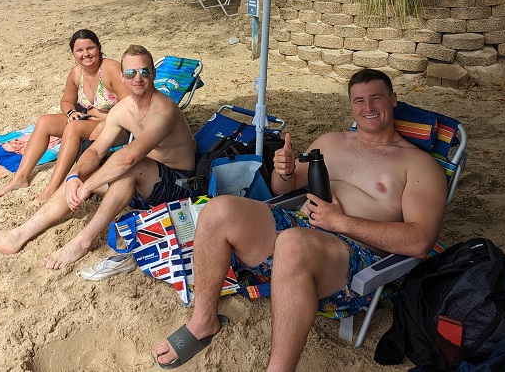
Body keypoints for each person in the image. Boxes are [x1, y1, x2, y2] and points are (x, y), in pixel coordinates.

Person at [156, 68, 447, 370]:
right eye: (359, 101)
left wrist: (340, 222)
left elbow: (419, 241)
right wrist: (284, 171)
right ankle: (204, 321)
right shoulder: (332, 142)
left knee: (293, 243)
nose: (368, 108)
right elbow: (286, 188)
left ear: (394, 100)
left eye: (376, 98)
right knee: (218, 210)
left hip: (355, 255)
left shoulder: (419, 164)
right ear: (351, 105)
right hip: (300, 226)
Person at [0, 44, 196, 271]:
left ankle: (82, 242)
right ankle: (17, 235)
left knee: (131, 165)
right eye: (131, 73)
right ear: (123, 76)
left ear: (153, 74)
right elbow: (95, 151)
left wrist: (87, 186)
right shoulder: (122, 110)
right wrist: (76, 177)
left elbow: (129, 157)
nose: (138, 78)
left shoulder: (164, 111)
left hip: (177, 185)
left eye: (145, 71)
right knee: (80, 172)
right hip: (142, 185)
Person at [0, 29, 130, 203]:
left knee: (73, 128)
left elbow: (129, 105)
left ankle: (52, 188)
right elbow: (66, 101)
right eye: (79, 50)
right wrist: (71, 112)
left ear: (98, 47)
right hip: (91, 121)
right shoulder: (76, 73)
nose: (86, 54)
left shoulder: (111, 68)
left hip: (118, 127)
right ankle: (21, 177)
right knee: (44, 122)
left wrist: (104, 121)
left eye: (90, 48)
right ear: (73, 53)